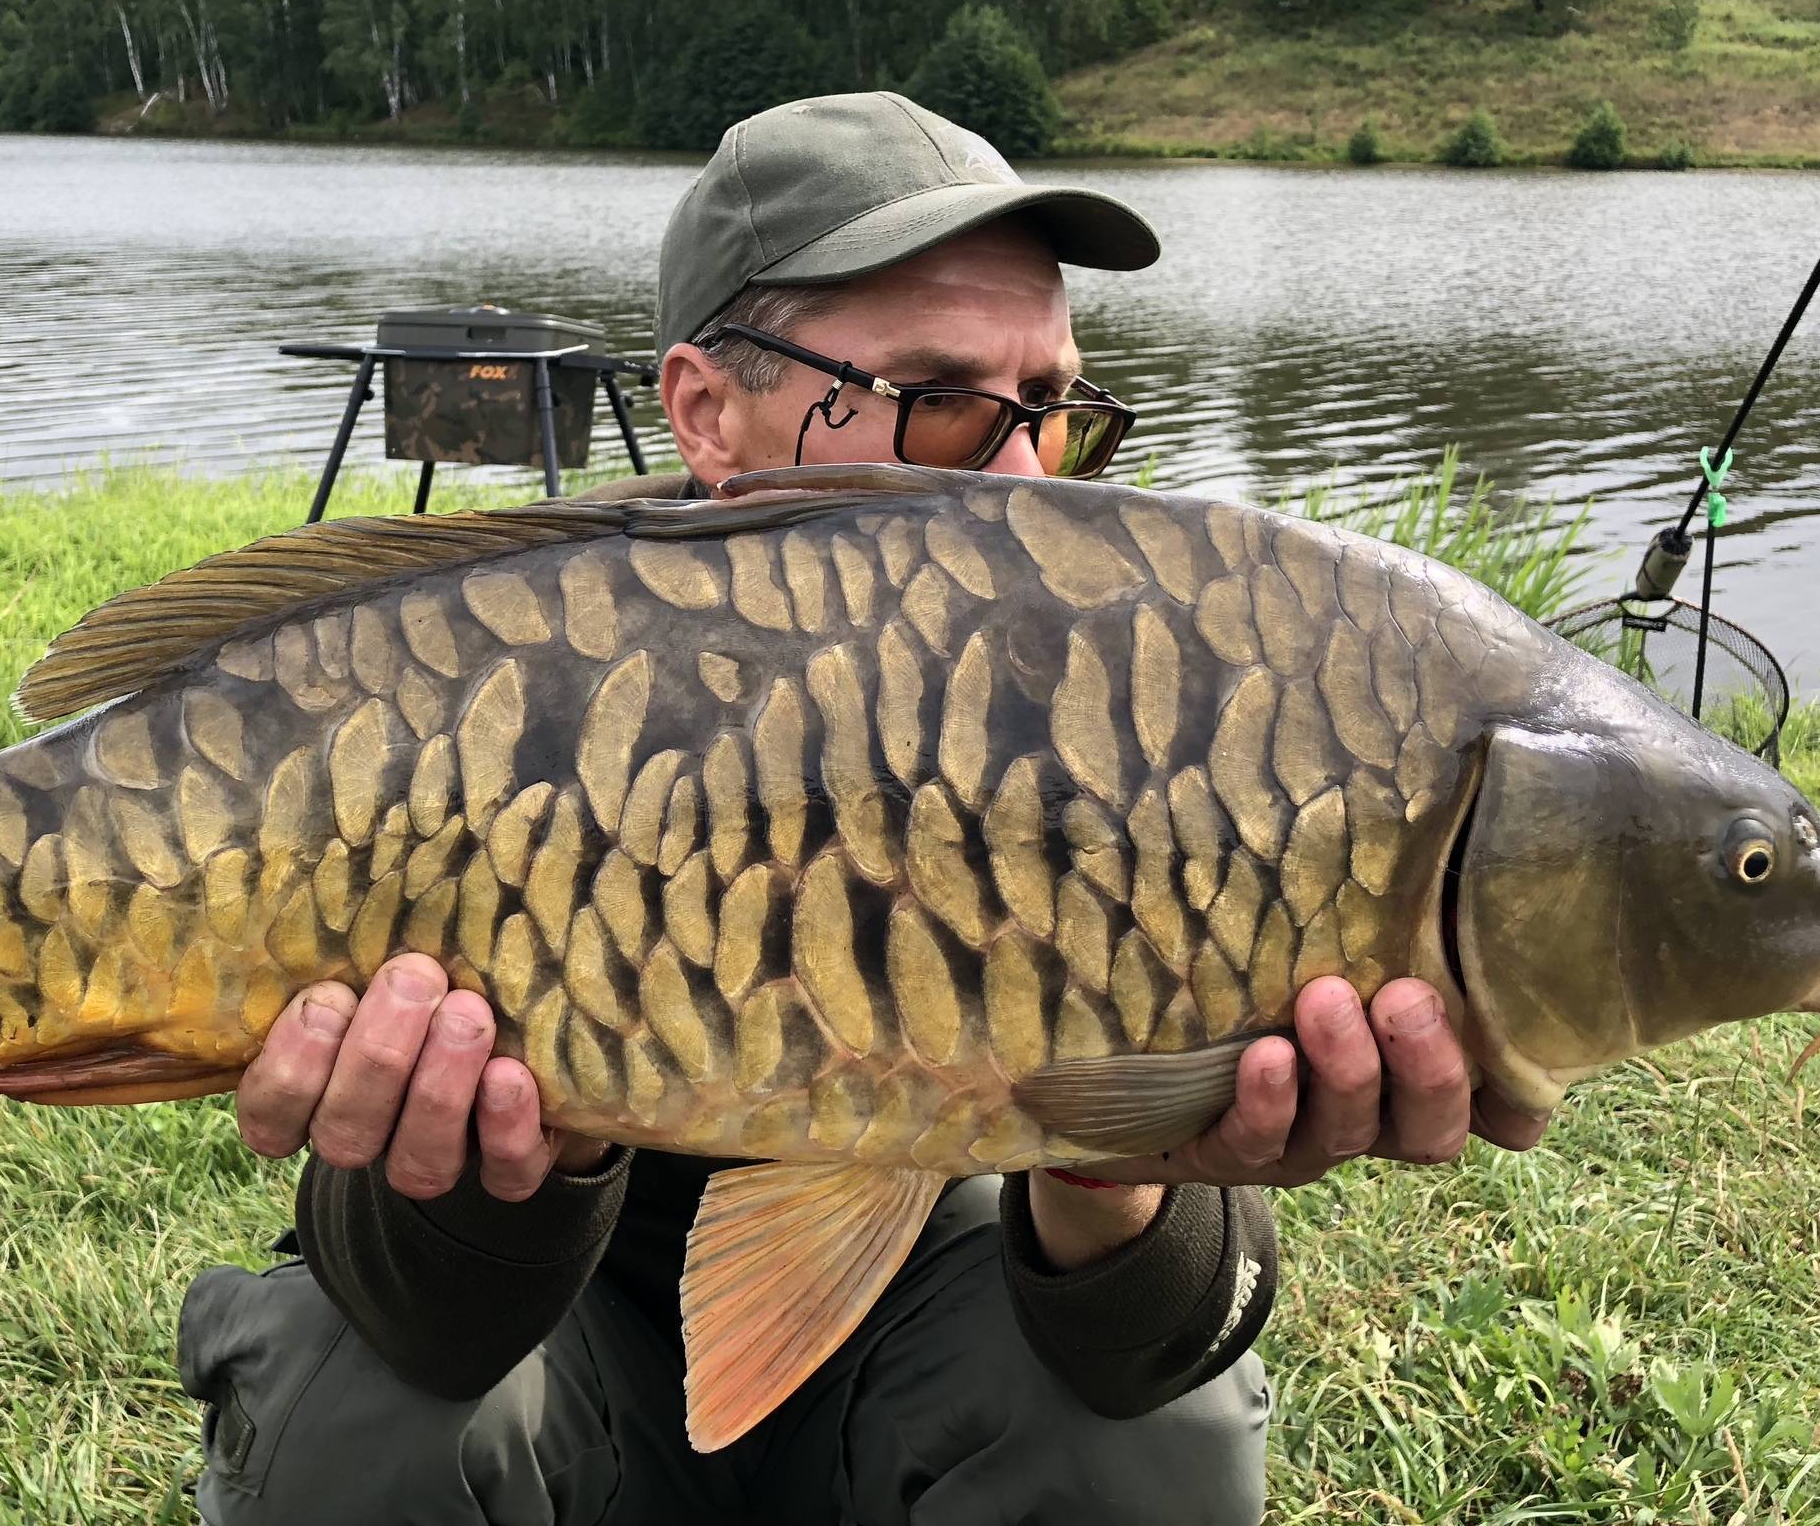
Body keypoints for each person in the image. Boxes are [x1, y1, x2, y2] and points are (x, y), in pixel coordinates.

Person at [177, 92, 1551, 1524]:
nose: (1025, 478)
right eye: (947, 405)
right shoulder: (479, 676)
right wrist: (534, 1134)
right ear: (708, 410)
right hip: (571, 1322)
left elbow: (1160, 1347)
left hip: (919, 1325)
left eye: (1053, 411)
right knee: (358, 1395)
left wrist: (1105, 1185)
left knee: (1150, 1434)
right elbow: (421, 1323)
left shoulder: (1125, 685)